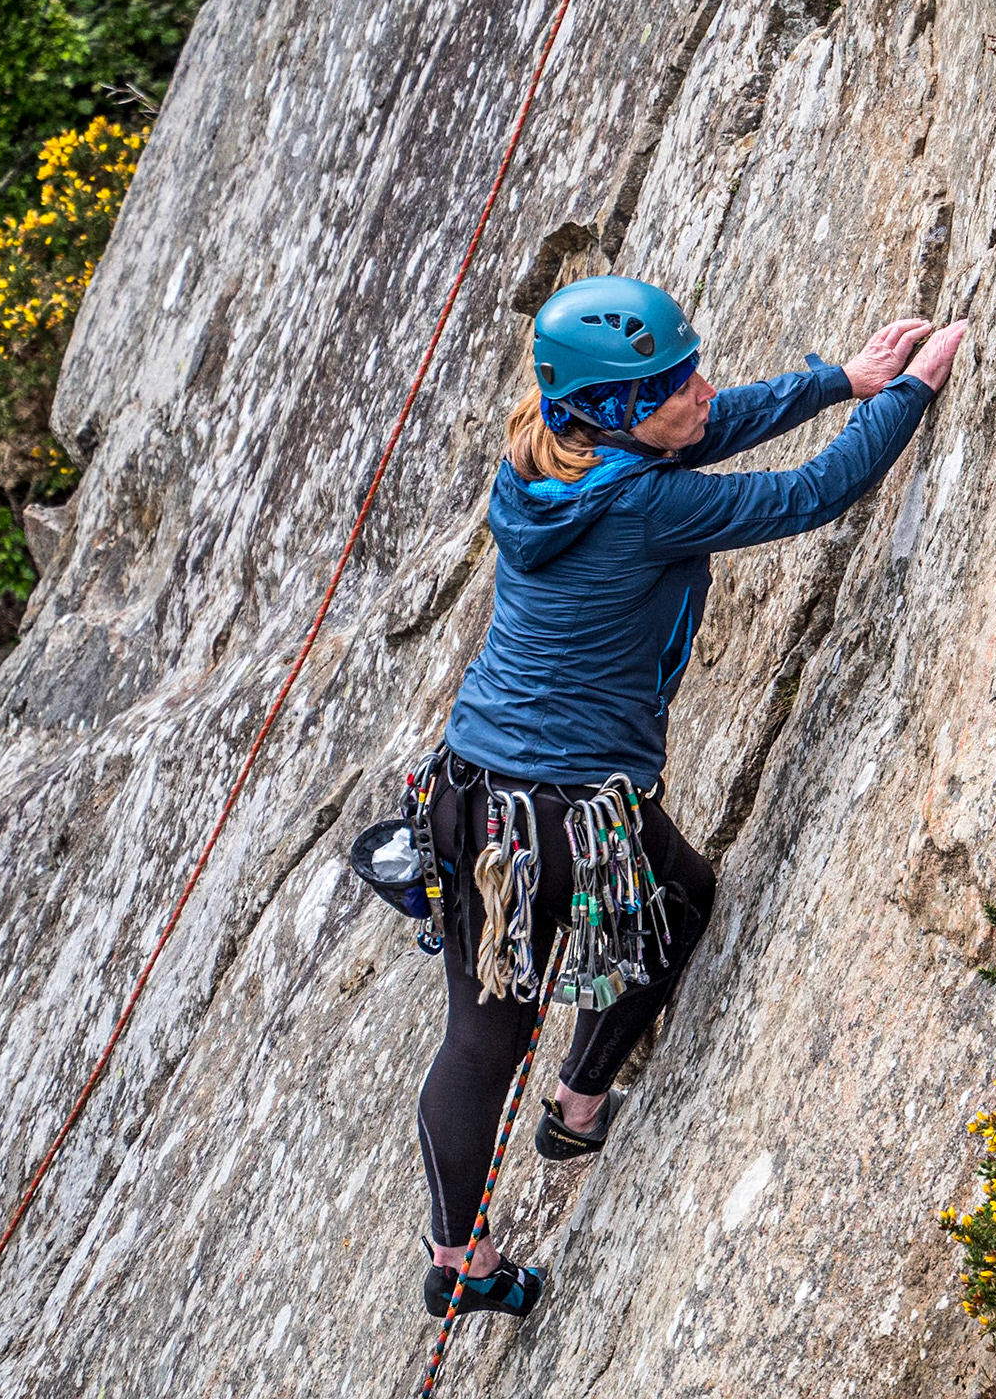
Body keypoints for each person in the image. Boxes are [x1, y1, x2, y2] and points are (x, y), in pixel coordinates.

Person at [414, 273, 966, 1319]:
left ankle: (517, 1183)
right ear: (620, 409)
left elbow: (700, 427)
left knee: (506, 1018)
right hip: (559, 820)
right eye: (672, 381)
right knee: (634, 936)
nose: (701, 387)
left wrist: (841, 378)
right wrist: (904, 399)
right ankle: (528, 1168)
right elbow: (807, 495)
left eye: (690, 365)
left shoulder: (546, 451)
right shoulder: (642, 508)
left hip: (470, 793)